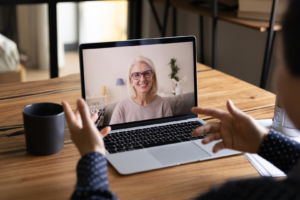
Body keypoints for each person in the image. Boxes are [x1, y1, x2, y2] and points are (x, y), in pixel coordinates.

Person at [63, 1, 300, 199]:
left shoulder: (238, 194)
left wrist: (93, 154)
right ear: (130, 80)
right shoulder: (123, 107)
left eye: (280, 61)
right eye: (136, 74)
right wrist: (263, 142)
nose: (142, 78)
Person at [109, 55, 172, 125]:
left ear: (153, 77)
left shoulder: (163, 104)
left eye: (147, 73)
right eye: (136, 75)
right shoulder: (121, 108)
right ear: (131, 81)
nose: (142, 79)